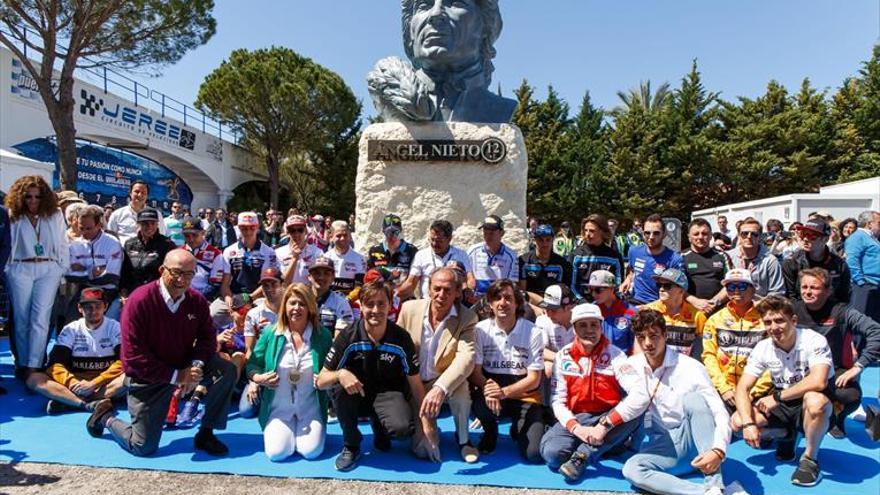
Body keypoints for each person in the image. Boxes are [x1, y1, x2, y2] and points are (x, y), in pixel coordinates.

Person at [87, 250, 237, 457]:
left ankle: (206, 432)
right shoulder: (139, 301)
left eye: (189, 274)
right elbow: (133, 359)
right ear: (161, 270)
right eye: (176, 272)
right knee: (143, 446)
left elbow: (207, 338)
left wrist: (195, 366)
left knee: (225, 368)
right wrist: (176, 376)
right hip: (148, 377)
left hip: (183, 363)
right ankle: (106, 417)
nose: (182, 279)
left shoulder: (197, 301)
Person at [620, 310, 737, 495]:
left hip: (694, 439)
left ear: (665, 335)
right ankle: (706, 493)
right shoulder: (631, 366)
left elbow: (719, 411)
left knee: (694, 400)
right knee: (631, 469)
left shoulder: (691, 366)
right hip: (664, 444)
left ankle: (714, 483)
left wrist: (718, 450)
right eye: (641, 337)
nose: (648, 343)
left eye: (653, 336)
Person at [317, 281, 429, 471]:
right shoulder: (348, 336)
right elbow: (321, 381)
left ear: (391, 305)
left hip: (387, 394)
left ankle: (380, 428)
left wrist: (428, 430)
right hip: (356, 393)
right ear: (360, 305)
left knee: (402, 429)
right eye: (369, 304)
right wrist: (341, 373)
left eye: (381, 303)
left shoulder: (401, 338)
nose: (375, 310)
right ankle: (351, 444)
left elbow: (416, 386)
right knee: (338, 389)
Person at [732, 296, 834, 487]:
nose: (773, 327)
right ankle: (787, 434)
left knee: (815, 401)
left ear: (793, 321)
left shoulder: (814, 340)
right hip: (783, 402)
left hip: (813, 402)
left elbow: (818, 381)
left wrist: (777, 397)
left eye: (779, 320)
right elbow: (743, 387)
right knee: (737, 423)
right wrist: (748, 424)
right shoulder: (763, 347)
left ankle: (809, 459)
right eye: (768, 322)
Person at [540, 303, 647, 481]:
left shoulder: (616, 355)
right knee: (552, 455)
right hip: (577, 417)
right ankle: (602, 444)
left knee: (638, 409)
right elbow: (557, 400)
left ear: (601, 327)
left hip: (607, 418)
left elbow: (639, 392)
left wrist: (604, 426)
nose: (589, 330)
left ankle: (582, 456)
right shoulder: (563, 356)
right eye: (583, 325)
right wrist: (577, 428)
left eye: (594, 325)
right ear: (574, 328)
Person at [397, 267, 480, 463]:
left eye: (448, 290)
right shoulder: (409, 310)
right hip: (413, 381)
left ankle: (464, 440)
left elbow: (465, 359)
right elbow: (397, 351)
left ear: (458, 292)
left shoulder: (467, 318)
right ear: (428, 288)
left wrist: (440, 388)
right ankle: (426, 423)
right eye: (437, 288)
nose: (441, 294)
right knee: (422, 451)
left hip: (441, 380)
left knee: (461, 387)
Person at [245, 283, 332, 461]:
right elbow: (253, 364)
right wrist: (259, 378)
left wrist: (326, 378)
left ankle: (308, 431)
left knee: (311, 452)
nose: (296, 308)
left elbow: (334, 368)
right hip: (278, 409)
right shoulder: (270, 333)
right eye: (292, 303)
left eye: (302, 304)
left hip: (310, 408)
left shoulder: (322, 335)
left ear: (310, 307)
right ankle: (284, 430)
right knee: (277, 454)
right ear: (285, 306)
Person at [793, 268, 880, 438]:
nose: (808, 292)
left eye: (814, 288)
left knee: (851, 395)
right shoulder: (792, 309)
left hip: (831, 371)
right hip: (795, 368)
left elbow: (876, 331)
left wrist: (859, 366)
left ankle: (834, 418)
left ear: (828, 291)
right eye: (804, 287)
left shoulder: (842, 312)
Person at [469, 280, 545, 461]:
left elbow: (534, 379)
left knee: (533, 455)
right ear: (490, 304)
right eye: (497, 298)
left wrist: (504, 392)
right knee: (479, 402)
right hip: (492, 393)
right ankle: (490, 431)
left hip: (524, 396)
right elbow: (475, 373)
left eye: (508, 298)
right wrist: (489, 389)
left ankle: (518, 428)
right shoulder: (480, 329)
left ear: (517, 303)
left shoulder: (533, 331)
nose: (503, 303)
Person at [4, 176, 68, 374]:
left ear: (45, 197)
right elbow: (7, 243)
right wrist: (8, 269)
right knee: (21, 318)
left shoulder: (55, 214)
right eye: (28, 197)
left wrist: (61, 269)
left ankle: (35, 364)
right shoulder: (13, 214)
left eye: (37, 196)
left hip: (48, 268)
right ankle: (22, 364)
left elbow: (63, 243)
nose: (33, 201)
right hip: (20, 268)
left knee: (40, 318)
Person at [26, 287, 125, 414]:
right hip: (75, 384)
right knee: (34, 378)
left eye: (98, 306)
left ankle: (68, 400)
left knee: (130, 377)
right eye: (88, 307)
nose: (93, 311)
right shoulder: (71, 329)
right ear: (80, 308)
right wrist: (72, 383)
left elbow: (124, 362)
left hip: (105, 383)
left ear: (105, 307)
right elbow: (54, 365)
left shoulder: (115, 328)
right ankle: (88, 404)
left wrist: (95, 382)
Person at [701, 269, 772, 410]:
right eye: (731, 287)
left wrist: (752, 392)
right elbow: (708, 356)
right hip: (723, 391)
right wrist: (724, 388)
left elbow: (775, 359)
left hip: (757, 393)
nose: (736, 291)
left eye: (742, 286)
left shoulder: (768, 319)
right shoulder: (715, 319)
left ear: (753, 289)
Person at [239, 267, 285, 418]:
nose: (269, 288)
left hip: (288, 366)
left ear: (282, 284)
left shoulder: (292, 308)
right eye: (265, 285)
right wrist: (254, 379)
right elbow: (250, 350)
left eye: (274, 284)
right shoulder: (253, 314)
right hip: (263, 369)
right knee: (246, 411)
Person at [66, 205, 124, 323]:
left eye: (88, 228)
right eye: (81, 228)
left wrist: (83, 272)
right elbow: (69, 276)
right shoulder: (75, 244)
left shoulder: (112, 243)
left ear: (99, 225)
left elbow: (111, 277)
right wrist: (92, 272)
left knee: (97, 321)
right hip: (84, 290)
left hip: (107, 291)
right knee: (69, 322)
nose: (84, 232)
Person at [217, 211, 279, 319]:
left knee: (267, 318)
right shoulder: (228, 251)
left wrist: (249, 299)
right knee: (212, 314)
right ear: (238, 227)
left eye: (252, 227)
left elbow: (267, 283)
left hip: (258, 297)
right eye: (244, 228)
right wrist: (230, 302)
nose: (248, 231)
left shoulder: (268, 252)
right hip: (233, 295)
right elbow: (225, 283)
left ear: (257, 227)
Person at [117, 208, 177, 313]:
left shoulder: (167, 244)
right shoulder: (129, 244)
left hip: (155, 297)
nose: (149, 227)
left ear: (157, 224)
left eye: (153, 223)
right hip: (132, 294)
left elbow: (171, 273)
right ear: (138, 224)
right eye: (145, 223)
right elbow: (125, 272)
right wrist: (123, 294)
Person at [399, 220, 474, 300]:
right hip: (427, 303)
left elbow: (470, 279)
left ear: (449, 239)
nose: (434, 244)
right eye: (432, 239)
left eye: (439, 241)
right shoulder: (421, 255)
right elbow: (411, 283)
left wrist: (469, 291)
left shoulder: (461, 255)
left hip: (454, 305)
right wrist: (394, 296)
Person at [640, 268, 707, 357]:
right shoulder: (648, 310)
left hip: (684, 366)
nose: (661, 289)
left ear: (681, 291)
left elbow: (706, 344)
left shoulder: (697, 315)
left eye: (667, 286)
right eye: (659, 285)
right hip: (656, 364)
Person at [783, 218, 851, 304]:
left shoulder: (839, 265)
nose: (805, 239)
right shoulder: (791, 262)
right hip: (802, 311)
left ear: (825, 239)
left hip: (832, 312)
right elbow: (790, 296)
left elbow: (844, 297)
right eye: (803, 234)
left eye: (812, 236)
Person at [620, 214, 684, 305]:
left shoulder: (675, 259)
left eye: (656, 233)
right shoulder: (634, 251)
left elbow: (679, 290)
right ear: (642, 233)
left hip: (661, 306)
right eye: (647, 233)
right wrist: (627, 280)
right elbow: (632, 271)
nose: (651, 237)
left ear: (664, 234)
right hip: (635, 302)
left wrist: (652, 307)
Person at [726, 217, 785, 299]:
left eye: (754, 234)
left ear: (760, 237)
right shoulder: (727, 257)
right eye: (745, 233)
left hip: (761, 307)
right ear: (739, 236)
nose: (749, 237)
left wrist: (757, 305)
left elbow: (777, 293)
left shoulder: (770, 261)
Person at [570, 214, 625, 302]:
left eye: (592, 231)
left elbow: (618, 284)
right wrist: (581, 302)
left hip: (607, 304)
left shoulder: (614, 257)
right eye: (585, 230)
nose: (587, 234)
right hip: (581, 304)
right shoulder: (576, 255)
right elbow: (571, 285)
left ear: (602, 231)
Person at [683, 218, 731, 315]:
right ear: (689, 237)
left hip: (719, 310)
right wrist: (695, 301)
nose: (700, 237)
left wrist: (714, 302)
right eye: (696, 234)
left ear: (710, 236)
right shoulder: (680, 257)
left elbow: (731, 283)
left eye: (704, 234)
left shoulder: (722, 256)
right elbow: (675, 287)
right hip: (690, 311)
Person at [519, 224, 573, 306]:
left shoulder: (562, 264)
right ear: (534, 240)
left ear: (553, 240)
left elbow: (565, 290)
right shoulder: (523, 261)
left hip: (555, 304)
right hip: (530, 304)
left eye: (548, 239)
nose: (545, 243)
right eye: (540, 240)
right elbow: (522, 291)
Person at [467, 215, 519, 298]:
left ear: (502, 233)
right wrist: (469, 278)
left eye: (491, 233)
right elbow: (465, 272)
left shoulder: (511, 256)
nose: (488, 236)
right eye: (485, 233)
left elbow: (511, 284)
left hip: (498, 298)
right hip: (474, 299)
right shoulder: (473, 251)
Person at [589, 270, 636, 354]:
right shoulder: (590, 311)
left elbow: (636, 344)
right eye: (590, 289)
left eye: (598, 290)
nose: (593, 294)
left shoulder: (631, 312)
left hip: (623, 362)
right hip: (597, 360)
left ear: (612, 289)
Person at [845, 210, 880, 322]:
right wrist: (861, 282)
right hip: (865, 286)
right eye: (879, 223)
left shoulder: (872, 238)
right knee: (862, 321)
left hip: (874, 286)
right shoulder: (857, 237)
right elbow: (852, 261)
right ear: (869, 224)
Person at [366, 213, 418, 289]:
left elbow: (414, 280)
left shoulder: (411, 250)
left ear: (400, 231)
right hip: (381, 296)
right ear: (383, 232)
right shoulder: (374, 251)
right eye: (388, 232)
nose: (392, 236)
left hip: (403, 295)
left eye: (395, 232)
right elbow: (369, 278)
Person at [534, 284, 575, 380]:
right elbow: (540, 350)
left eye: (553, 310)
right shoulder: (542, 320)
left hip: (579, 361)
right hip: (557, 361)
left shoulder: (582, 320)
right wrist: (562, 358)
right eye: (546, 309)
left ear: (568, 308)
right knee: (547, 367)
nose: (548, 314)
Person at [181, 215, 226, 301]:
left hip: (203, 299)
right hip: (180, 296)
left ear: (203, 233)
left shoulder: (216, 254)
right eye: (187, 236)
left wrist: (194, 298)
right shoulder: (178, 252)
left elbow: (215, 284)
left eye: (194, 235)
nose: (191, 239)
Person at [308, 256, 354, 333]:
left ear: (333, 277)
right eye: (316, 273)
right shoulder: (300, 299)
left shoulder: (341, 303)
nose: (321, 277)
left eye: (326, 273)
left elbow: (340, 339)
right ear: (309, 276)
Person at [277, 215, 323, 286]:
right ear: (288, 232)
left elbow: (320, 282)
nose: (296, 234)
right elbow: (284, 283)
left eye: (300, 230)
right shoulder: (278, 253)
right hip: (287, 294)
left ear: (306, 231)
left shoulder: (317, 252)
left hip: (308, 294)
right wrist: (294, 259)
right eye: (292, 231)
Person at [324, 220, 366, 297]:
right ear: (331, 237)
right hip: (329, 299)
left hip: (351, 300)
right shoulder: (325, 257)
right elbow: (323, 285)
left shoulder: (359, 258)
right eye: (338, 236)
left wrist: (348, 299)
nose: (342, 238)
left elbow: (359, 286)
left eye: (345, 235)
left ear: (350, 236)